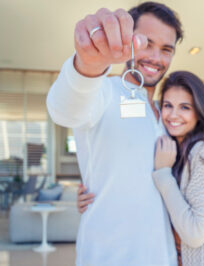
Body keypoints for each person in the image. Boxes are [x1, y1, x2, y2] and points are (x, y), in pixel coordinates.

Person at [46, 2, 184, 265]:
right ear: (128, 40)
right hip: (108, 256)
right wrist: (87, 65)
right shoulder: (103, 91)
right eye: (146, 43)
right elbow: (65, 110)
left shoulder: (167, 114)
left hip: (161, 255)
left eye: (166, 49)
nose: (156, 57)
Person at [79, 71, 204, 266]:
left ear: (199, 112)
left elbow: (194, 234)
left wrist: (163, 175)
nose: (173, 115)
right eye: (168, 105)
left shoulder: (202, 151)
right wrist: (95, 190)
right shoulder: (171, 146)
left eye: (185, 107)